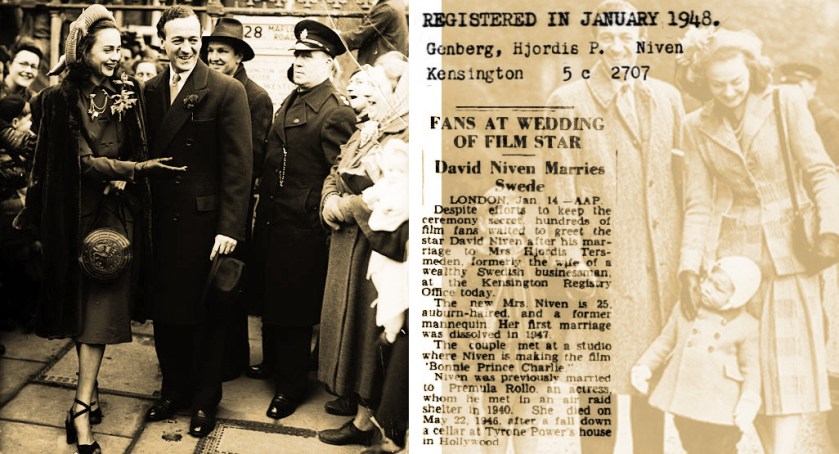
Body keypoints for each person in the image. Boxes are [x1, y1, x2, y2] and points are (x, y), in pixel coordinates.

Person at [13, 5, 185, 453]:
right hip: (74, 219)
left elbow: (134, 143)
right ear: (83, 51)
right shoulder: (59, 99)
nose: (116, 57)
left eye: (119, 49)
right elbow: (81, 162)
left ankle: (83, 401)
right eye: (107, 49)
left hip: (115, 221)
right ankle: (83, 403)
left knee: (98, 314)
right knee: (85, 314)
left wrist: (128, 172)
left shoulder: (126, 91)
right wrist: (135, 169)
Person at [677, 27, 839, 454]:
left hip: (794, 255)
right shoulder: (695, 126)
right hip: (736, 268)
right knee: (754, 373)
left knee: (788, 370)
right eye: (718, 85)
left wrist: (831, 232)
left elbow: (821, 171)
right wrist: (689, 267)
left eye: (737, 81)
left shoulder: (786, 102)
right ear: (703, 82)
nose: (729, 92)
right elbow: (698, 203)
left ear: (751, 70)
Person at [545, 1, 685, 452]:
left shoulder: (667, 98)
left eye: (626, 36)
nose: (617, 45)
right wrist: (572, 263)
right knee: (597, 389)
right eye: (607, 37)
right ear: (596, 41)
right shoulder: (568, 101)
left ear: (641, 38)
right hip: (600, 266)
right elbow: (559, 192)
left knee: (650, 382)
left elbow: (684, 180)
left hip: (658, 267)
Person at [142, 5, 252, 438]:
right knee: (167, 312)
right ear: (163, 42)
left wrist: (230, 227)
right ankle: (173, 389)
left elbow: (239, 167)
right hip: (161, 221)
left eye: (193, 40)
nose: (186, 48)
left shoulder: (226, 90)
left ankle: (205, 400)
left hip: (205, 225)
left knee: (206, 315)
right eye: (178, 40)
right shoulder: (151, 90)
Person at [249, 19, 355, 420]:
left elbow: (340, 172)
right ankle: (273, 363)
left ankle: (290, 386)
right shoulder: (296, 97)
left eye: (308, 56)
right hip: (275, 216)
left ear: (329, 63)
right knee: (272, 295)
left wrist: (315, 210)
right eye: (296, 54)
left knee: (293, 307)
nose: (299, 61)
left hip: (302, 224)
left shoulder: (334, 110)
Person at [317, 58, 408, 446]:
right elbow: (335, 171)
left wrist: (346, 206)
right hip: (346, 241)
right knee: (346, 324)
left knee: (369, 328)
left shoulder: (404, 133)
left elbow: (396, 196)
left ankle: (364, 420)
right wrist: (328, 199)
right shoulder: (368, 127)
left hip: (373, 247)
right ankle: (350, 392)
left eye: (374, 88)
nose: (363, 97)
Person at [200, 17, 274, 381]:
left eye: (223, 51)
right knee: (206, 281)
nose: (214, 57)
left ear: (239, 57)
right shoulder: (206, 88)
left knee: (228, 281)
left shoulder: (255, 97)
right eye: (211, 50)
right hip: (203, 202)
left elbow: (252, 159)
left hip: (233, 203)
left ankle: (231, 361)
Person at [632, 256, 762, 454]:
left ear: (735, 298)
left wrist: (749, 399)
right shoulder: (687, 308)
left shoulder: (747, 325)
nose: (707, 288)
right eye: (708, 280)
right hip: (687, 397)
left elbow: (751, 368)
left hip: (722, 404)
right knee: (691, 444)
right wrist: (644, 367)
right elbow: (664, 342)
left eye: (718, 289)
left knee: (721, 448)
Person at [779, 62, 839, 165]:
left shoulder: (829, 120)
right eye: (786, 86)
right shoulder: (781, 117)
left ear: (813, 86)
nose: (791, 92)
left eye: (798, 86)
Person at [340, 0, 408, 65]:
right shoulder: (395, 3)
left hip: (381, 66)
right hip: (390, 63)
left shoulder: (387, 8)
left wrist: (337, 36)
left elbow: (360, 36)